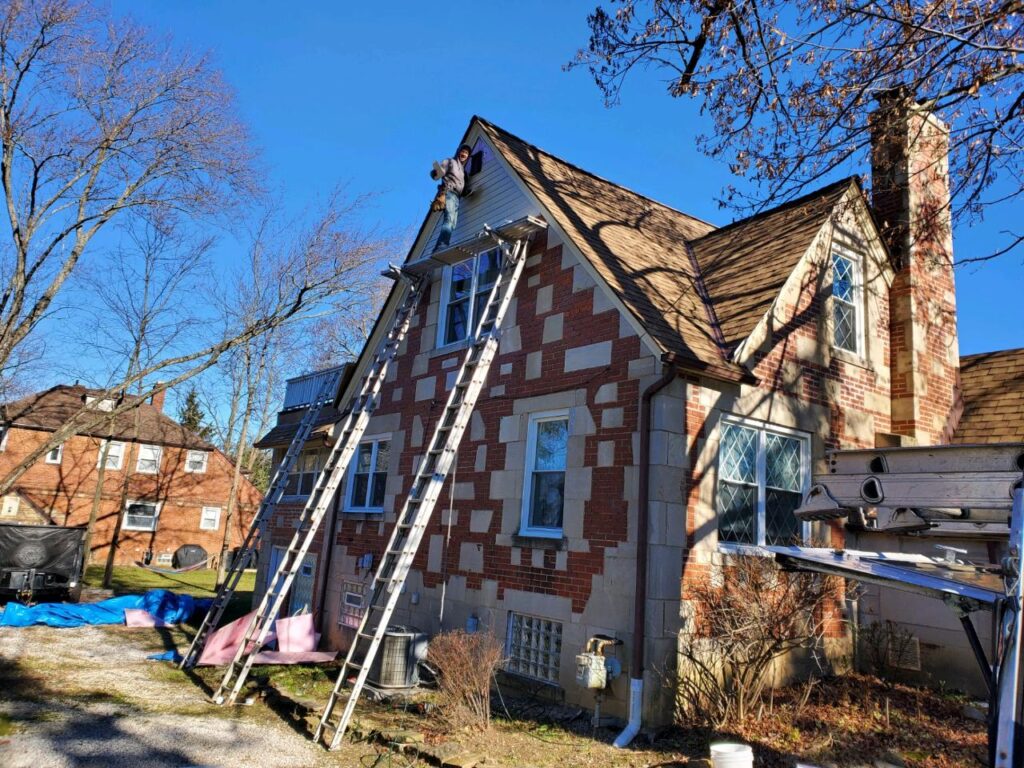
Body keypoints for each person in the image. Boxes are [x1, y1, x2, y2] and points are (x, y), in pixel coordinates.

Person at [431, 144, 472, 251]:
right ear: (458, 152)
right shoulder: (450, 162)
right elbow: (439, 172)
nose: (464, 154)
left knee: (452, 223)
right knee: (448, 219)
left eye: (466, 153)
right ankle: (442, 245)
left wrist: (468, 191)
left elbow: (462, 187)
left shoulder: (463, 171)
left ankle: (438, 247)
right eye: (463, 151)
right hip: (449, 193)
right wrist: (435, 173)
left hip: (457, 197)